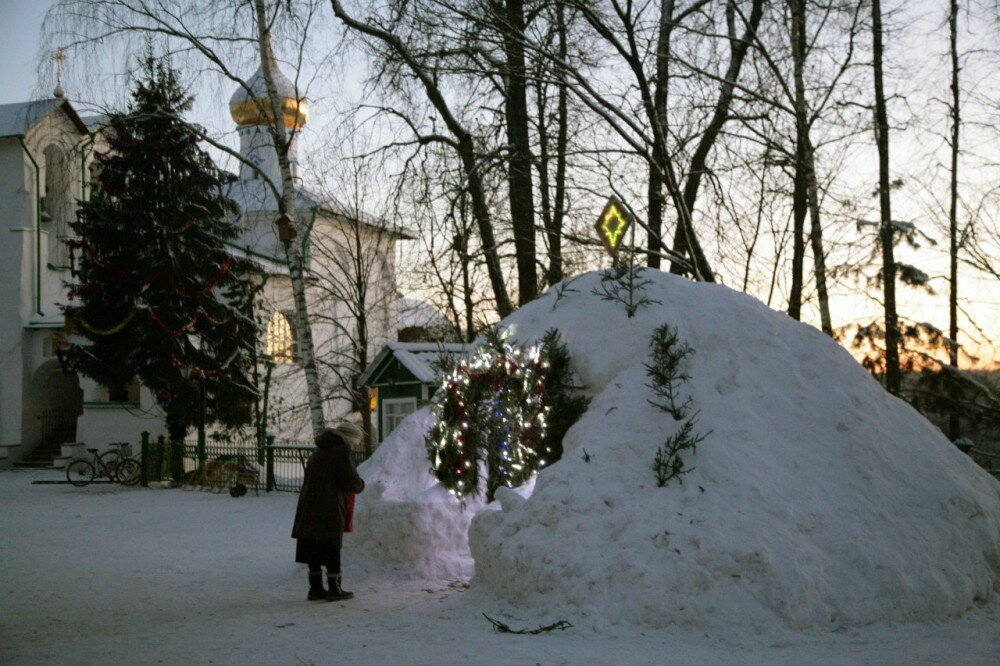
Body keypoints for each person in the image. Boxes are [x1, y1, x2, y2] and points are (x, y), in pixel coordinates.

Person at [291, 423, 365, 601]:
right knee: (331, 545)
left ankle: (315, 588)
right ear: (350, 439)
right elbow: (350, 481)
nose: (354, 447)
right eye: (355, 443)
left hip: (309, 503)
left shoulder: (320, 450)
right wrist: (360, 484)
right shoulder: (341, 451)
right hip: (329, 505)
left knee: (313, 544)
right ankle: (335, 588)